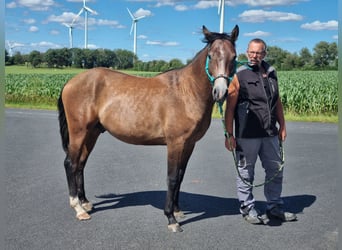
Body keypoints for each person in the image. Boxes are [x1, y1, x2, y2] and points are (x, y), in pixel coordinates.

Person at [224, 38, 297, 224]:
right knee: (246, 172)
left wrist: (283, 126)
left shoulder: (271, 72)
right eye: (251, 52)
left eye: (258, 52)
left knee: (275, 170)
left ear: (264, 53)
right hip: (247, 133)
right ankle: (248, 209)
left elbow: (277, 101)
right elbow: (230, 109)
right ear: (246, 52)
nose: (254, 56)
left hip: (270, 132)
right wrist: (229, 135)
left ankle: (275, 207)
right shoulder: (239, 75)